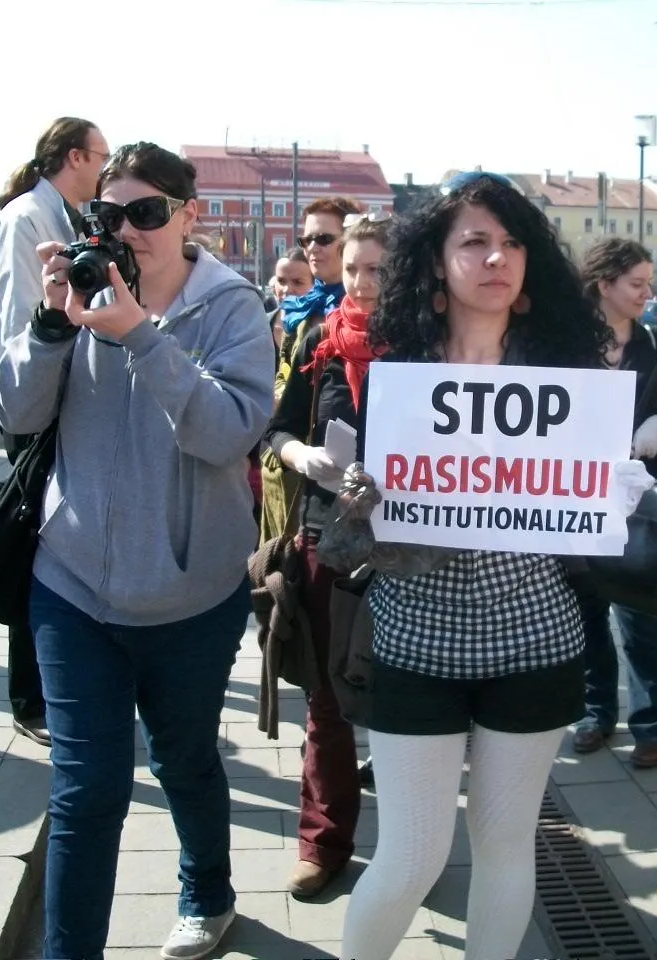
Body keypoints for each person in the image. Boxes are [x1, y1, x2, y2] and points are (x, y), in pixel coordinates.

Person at [338, 172, 650, 960]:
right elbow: (368, 527)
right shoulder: (398, 380)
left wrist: (617, 490)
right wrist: (354, 497)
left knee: (507, 843)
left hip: (535, 641)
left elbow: (588, 518)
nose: (496, 257)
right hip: (415, 641)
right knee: (411, 856)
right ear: (436, 264)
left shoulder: (571, 384)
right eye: (474, 241)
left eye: (511, 242)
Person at [0, 142, 274, 960]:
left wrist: (142, 336)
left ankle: (208, 893)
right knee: (86, 793)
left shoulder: (231, 308)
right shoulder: (83, 293)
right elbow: (14, 414)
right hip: (72, 585)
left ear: (189, 216)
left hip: (192, 595)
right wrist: (51, 324)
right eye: (107, 214)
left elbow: (227, 433)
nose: (126, 230)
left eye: (146, 213)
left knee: (185, 761)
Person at [262, 214, 389, 898]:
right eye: (355, 268)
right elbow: (278, 427)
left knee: (406, 700)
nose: (362, 284)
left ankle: (410, 847)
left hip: (409, 544)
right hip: (326, 535)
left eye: (378, 270)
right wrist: (301, 456)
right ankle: (323, 841)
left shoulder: (433, 345)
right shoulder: (319, 338)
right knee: (327, 699)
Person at [0, 116, 109, 748]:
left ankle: (61, 681)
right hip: (38, 403)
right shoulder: (26, 220)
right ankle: (30, 697)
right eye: (101, 157)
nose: (105, 170)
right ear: (75, 157)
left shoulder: (67, 217)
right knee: (35, 541)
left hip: (65, 398)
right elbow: (19, 323)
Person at [574, 237, 657, 768]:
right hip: (578, 492)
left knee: (642, 612)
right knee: (587, 611)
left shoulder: (654, 339)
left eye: (648, 283)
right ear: (604, 285)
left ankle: (656, 724)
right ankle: (595, 713)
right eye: (637, 283)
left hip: (639, 495)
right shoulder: (568, 340)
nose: (647, 293)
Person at [258, 197, 361, 547]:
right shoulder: (301, 308)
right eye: (307, 239)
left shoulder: (361, 314)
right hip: (287, 460)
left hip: (335, 486)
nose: (312, 248)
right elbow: (285, 371)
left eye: (324, 239)